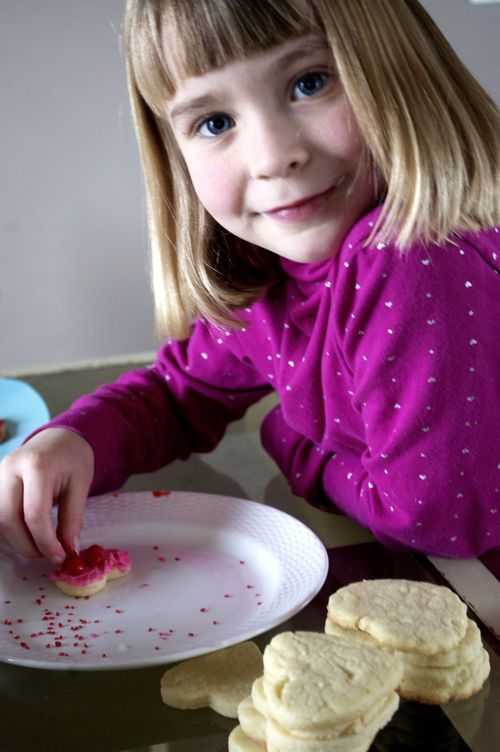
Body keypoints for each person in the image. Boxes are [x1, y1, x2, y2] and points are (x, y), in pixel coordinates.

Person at [0, 0, 498, 565]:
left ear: (400, 68)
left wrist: (288, 441)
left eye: (310, 83)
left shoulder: (415, 255)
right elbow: (182, 393)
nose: (272, 156)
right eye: (215, 123)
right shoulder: (270, 269)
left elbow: (428, 519)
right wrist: (74, 438)